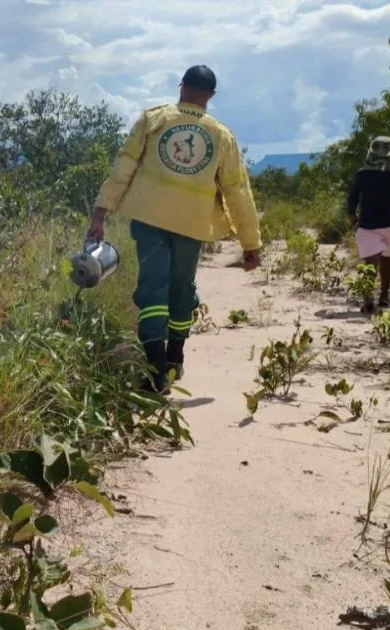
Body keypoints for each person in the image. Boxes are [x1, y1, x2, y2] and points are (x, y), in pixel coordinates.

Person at [87, 64, 262, 395]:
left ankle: (154, 374)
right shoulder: (220, 134)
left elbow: (123, 167)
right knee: (181, 288)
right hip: (192, 225)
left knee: (153, 288)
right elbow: (238, 190)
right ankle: (175, 360)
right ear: (210, 96)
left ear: (182, 86)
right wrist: (250, 243)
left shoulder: (154, 119)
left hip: (150, 220)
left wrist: (100, 214)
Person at [346, 135, 390, 313]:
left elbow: (352, 199)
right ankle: (383, 295)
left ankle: (369, 298)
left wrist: (353, 218)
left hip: (368, 225)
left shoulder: (363, 174)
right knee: (386, 259)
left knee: (370, 261)